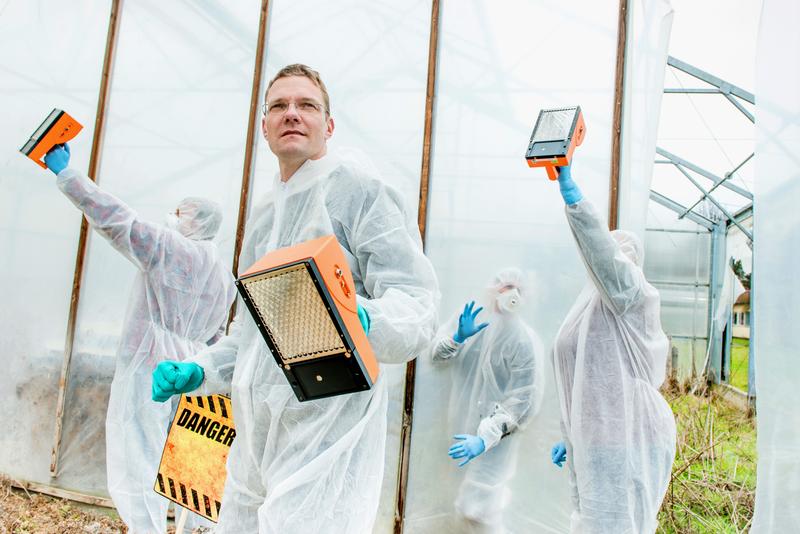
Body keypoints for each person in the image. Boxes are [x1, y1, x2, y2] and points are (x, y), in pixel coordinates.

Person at [151, 63, 439, 533]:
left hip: (325, 433)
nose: (292, 114)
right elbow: (250, 334)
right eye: (279, 106)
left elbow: (417, 304)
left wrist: (361, 317)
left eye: (307, 105)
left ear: (328, 125)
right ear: (264, 126)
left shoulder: (361, 193)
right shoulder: (265, 217)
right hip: (255, 437)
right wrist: (201, 369)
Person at [42, 143, 237, 533]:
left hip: (149, 364)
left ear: (195, 220)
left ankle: (144, 528)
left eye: (180, 212)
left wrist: (68, 176)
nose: (174, 216)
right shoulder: (224, 276)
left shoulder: (168, 248)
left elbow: (117, 222)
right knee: (189, 460)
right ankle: (194, 528)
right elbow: (218, 335)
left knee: (138, 451)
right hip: (192, 371)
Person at [548, 164, 676, 533]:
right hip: (599, 440)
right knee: (589, 523)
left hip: (630, 436)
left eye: (622, 256)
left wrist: (573, 198)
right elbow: (586, 377)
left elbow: (606, 258)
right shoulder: (587, 311)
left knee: (614, 526)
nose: (614, 261)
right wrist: (572, 434)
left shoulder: (634, 296)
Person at [432, 268, 544, 534]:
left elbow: (524, 399)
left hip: (497, 444)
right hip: (459, 430)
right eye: (505, 287)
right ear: (493, 289)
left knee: (478, 511)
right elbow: (436, 357)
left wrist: (487, 437)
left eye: (518, 289)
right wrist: (457, 338)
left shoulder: (523, 340)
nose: (511, 294)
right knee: (459, 506)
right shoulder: (473, 321)